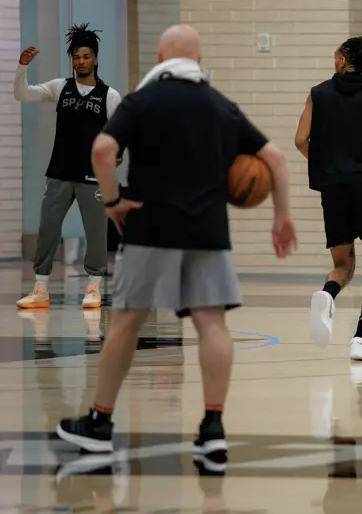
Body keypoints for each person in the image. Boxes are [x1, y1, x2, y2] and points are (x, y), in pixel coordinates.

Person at [55, 25, 298, 459]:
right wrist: (282, 216)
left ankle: (100, 422)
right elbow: (276, 159)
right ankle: (213, 427)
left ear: (160, 58)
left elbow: (102, 150)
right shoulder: (222, 106)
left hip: (149, 229)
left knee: (126, 324)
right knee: (212, 326)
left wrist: (111, 201)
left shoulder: (142, 100)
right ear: (199, 62)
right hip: (208, 233)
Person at [294, 36, 362, 363]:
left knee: (342, 266)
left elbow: (300, 139)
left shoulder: (317, 94)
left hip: (333, 189)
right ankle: (361, 338)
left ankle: (328, 295)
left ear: (343, 60)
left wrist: (326, 163)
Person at [14, 24, 123, 310]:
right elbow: (23, 94)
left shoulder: (109, 95)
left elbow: (122, 130)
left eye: (86, 56)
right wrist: (22, 66)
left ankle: (93, 288)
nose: (80, 61)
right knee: (48, 229)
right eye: (76, 57)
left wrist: (119, 152)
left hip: (92, 175)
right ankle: (40, 289)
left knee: (96, 232)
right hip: (59, 172)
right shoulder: (60, 87)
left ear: (95, 59)